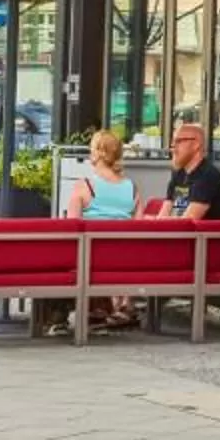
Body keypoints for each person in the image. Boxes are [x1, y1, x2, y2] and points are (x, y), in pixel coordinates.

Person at [65, 130, 141, 333]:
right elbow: (139, 229)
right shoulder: (132, 188)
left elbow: (71, 227)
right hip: (125, 259)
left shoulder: (84, 187)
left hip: (92, 258)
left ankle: (88, 310)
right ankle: (120, 305)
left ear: (97, 154)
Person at [161, 117, 220, 220]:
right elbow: (163, 215)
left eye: (178, 141)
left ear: (196, 144)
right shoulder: (178, 174)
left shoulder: (208, 175)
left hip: (199, 235)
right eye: (172, 141)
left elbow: (188, 223)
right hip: (175, 233)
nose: (173, 146)